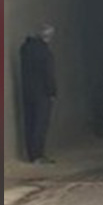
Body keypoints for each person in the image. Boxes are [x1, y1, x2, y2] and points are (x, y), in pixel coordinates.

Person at [21, 25, 58, 164]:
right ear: (47, 37)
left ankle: (31, 154)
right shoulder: (45, 53)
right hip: (42, 93)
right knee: (41, 124)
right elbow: (48, 74)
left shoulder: (25, 48)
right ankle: (38, 155)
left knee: (30, 122)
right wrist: (52, 91)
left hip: (27, 91)